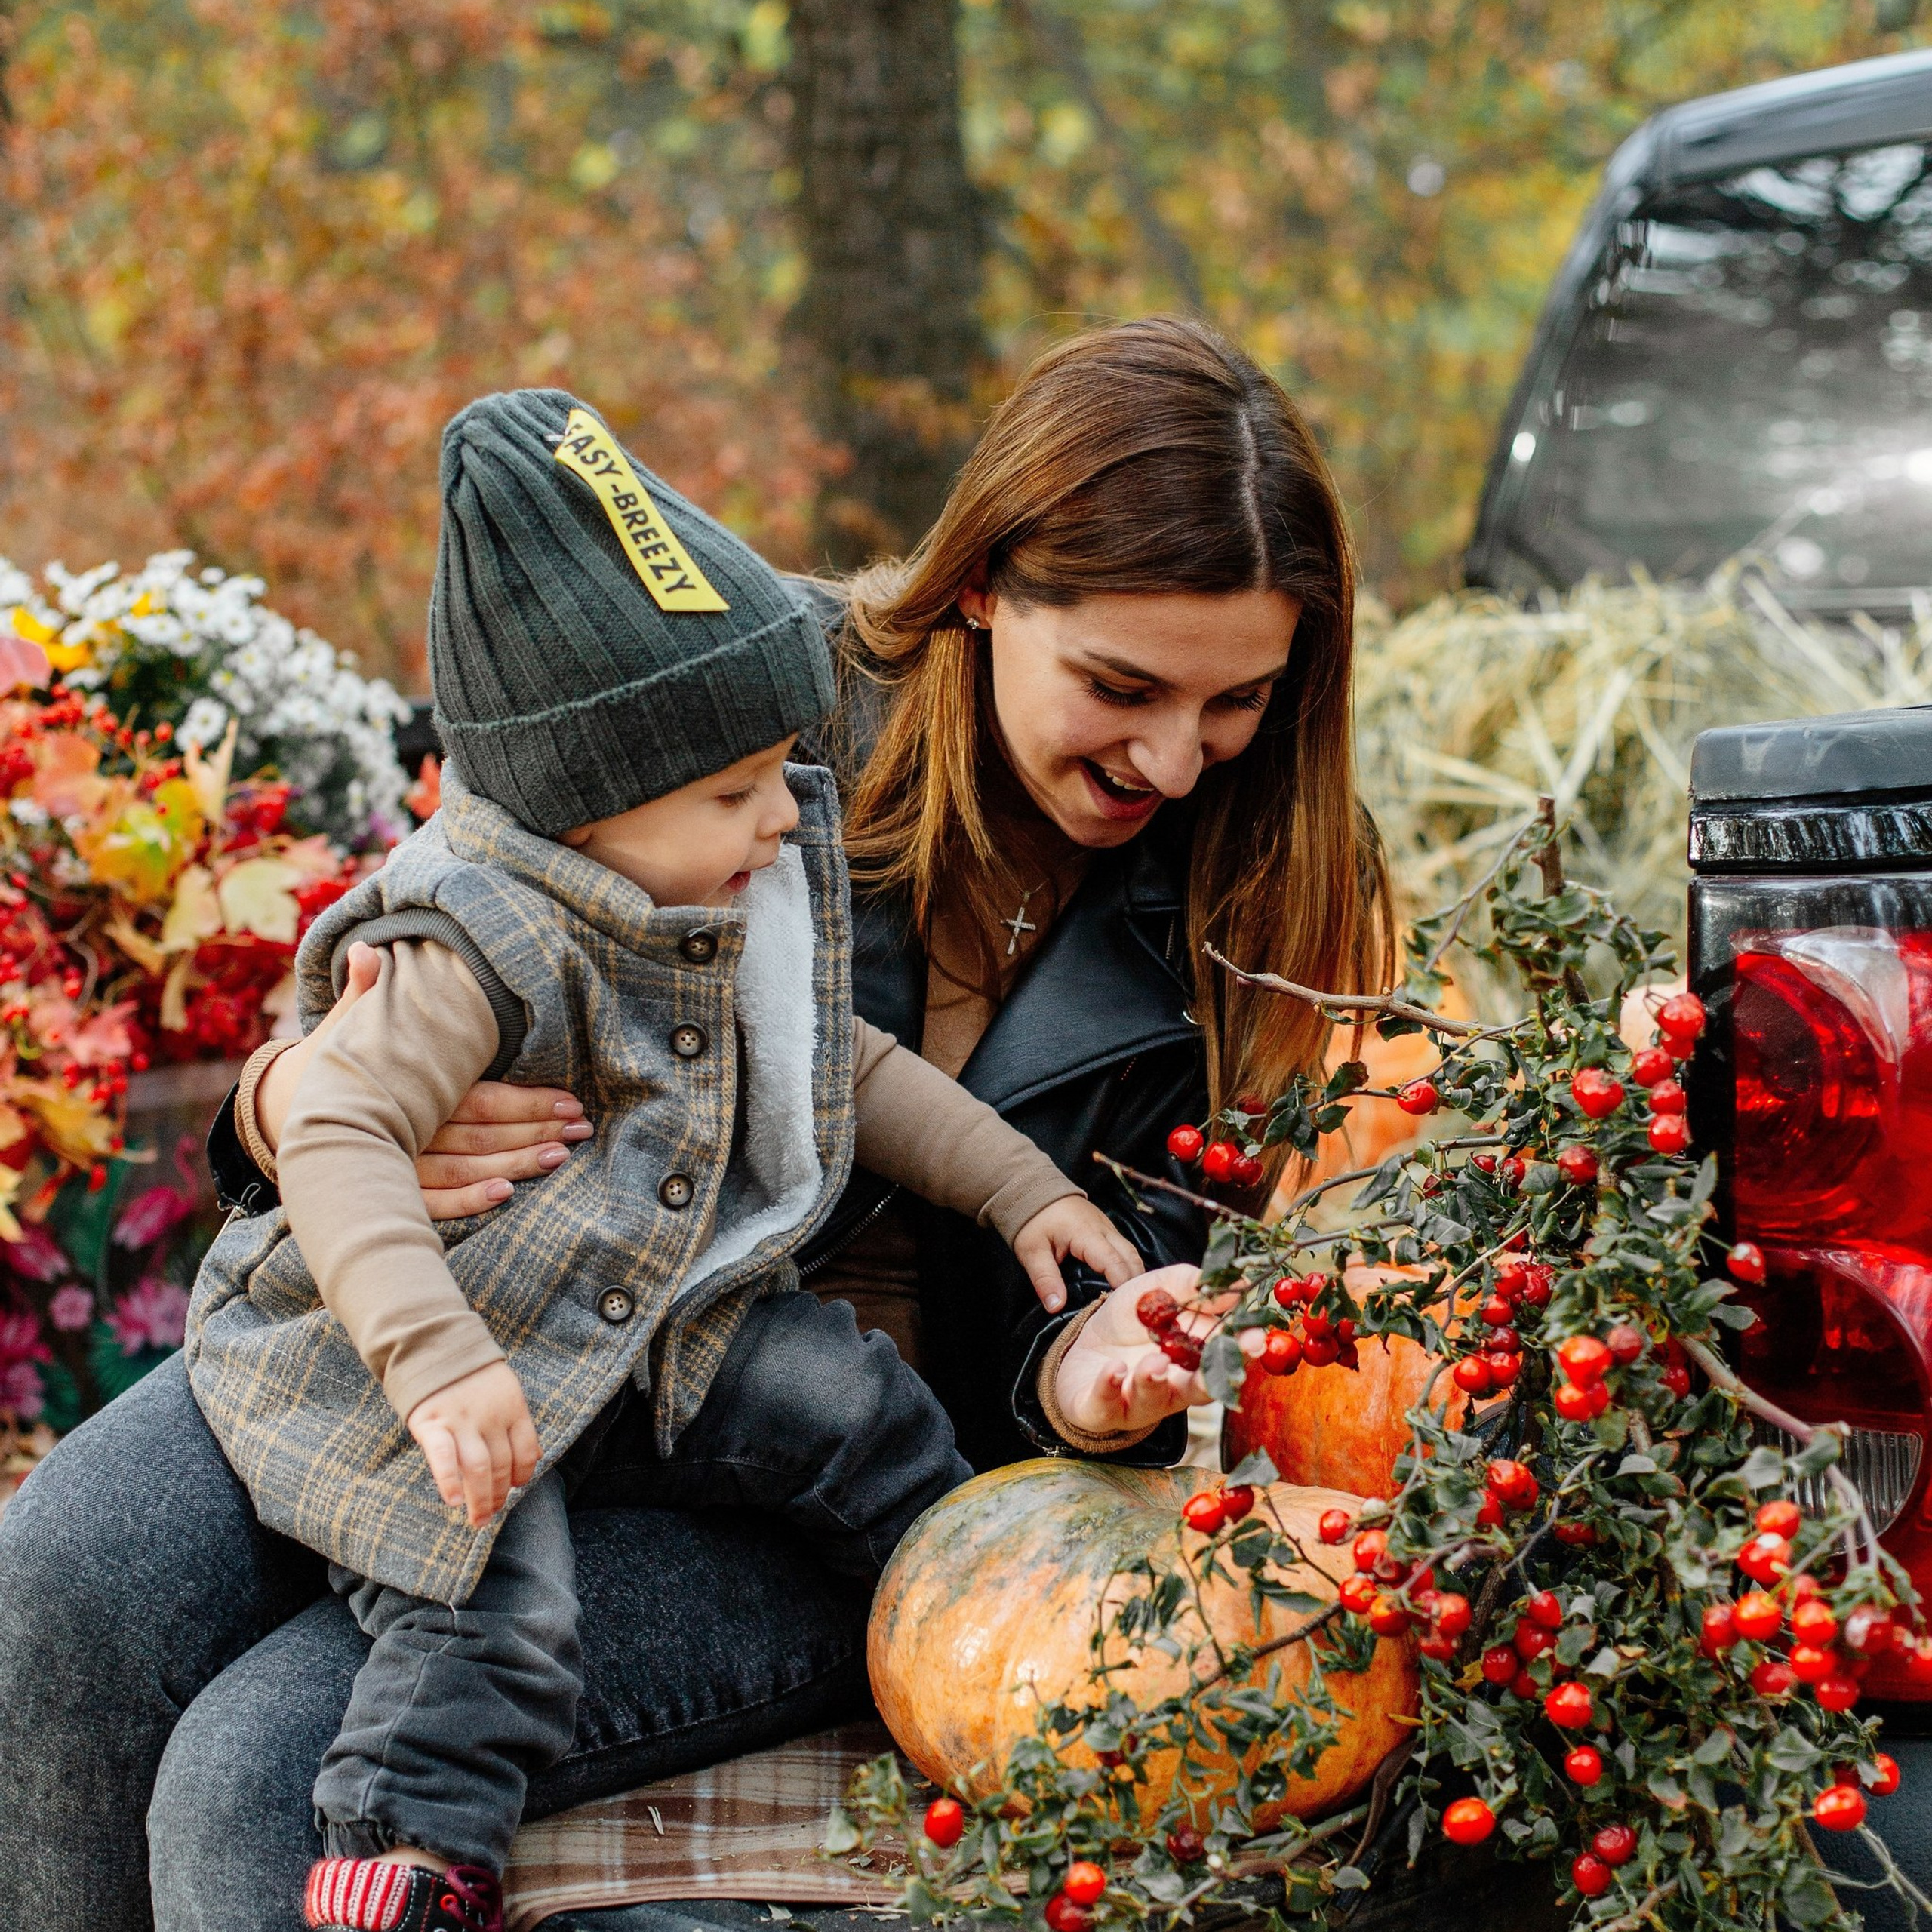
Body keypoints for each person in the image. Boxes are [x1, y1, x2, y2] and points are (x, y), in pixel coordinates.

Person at [0, 316, 1393, 1932]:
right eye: (1119, 685)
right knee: (57, 1594)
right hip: (472, 1312)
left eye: (1232, 704)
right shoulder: (737, 702)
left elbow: (1150, 1300)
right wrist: (285, 1096)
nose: (1171, 754)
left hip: (810, 1463)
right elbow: (441, 932)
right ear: (978, 587)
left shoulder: (1272, 883)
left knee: (264, 1766)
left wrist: (1090, 1370)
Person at [187, 388, 1142, 1932]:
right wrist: (433, 1365)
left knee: (857, 1404)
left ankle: (987, 1659)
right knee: (492, 1601)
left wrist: (1023, 1188)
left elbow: (846, 1065)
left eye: (779, 771)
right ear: (581, 801)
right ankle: (404, 1850)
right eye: (733, 792)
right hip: (444, 1344)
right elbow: (341, 1127)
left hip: (647, 1306)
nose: (779, 817)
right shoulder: (469, 938)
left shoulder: (713, 876)